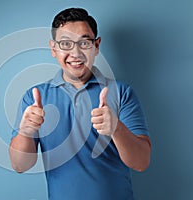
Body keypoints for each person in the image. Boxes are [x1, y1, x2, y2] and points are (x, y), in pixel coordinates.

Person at [9, 7, 151, 200]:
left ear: (97, 45)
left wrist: (116, 128)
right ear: (53, 48)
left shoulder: (121, 93)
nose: (75, 53)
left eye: (84, 42)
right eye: (65, 44)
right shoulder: (34, 99)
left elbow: (141, 162)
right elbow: (20, 165)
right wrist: (26, 132)